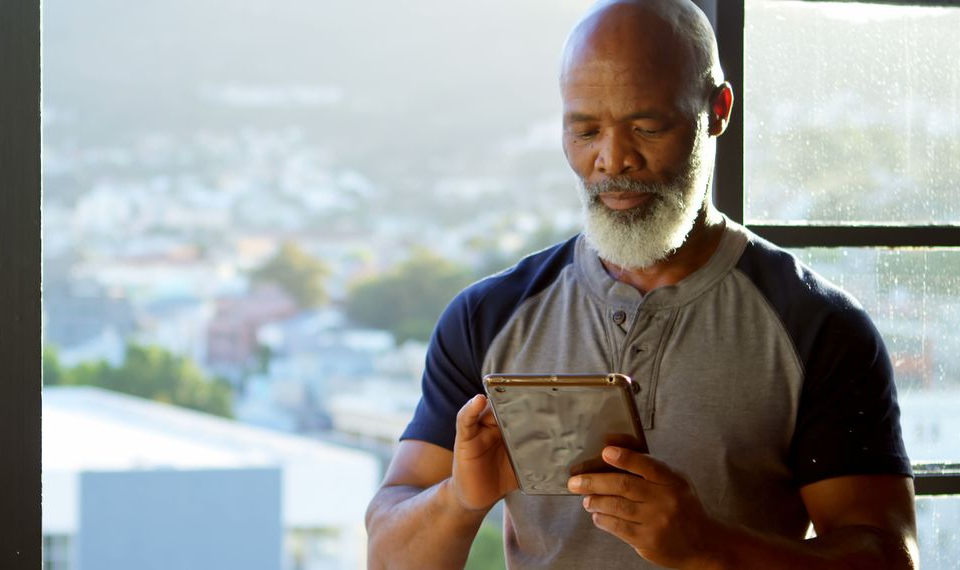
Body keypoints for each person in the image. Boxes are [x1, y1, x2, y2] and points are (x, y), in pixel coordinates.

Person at [365, 0, 918, 568]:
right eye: (584, 130)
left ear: (718, 110)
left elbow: (887, 559)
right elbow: (387, 557)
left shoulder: (817, 326)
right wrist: (460, 497)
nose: (612, 159)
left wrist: (708, 546)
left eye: (647, 127)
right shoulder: (488, 316)